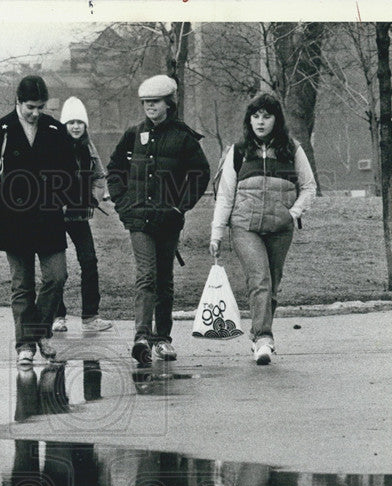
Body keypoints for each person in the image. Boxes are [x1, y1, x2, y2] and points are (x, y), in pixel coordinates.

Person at [0, 75, 80, 368]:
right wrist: (6, 195)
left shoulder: (54, 129)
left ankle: (39, 333)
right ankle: (25, 345)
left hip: (48, 218)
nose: (36, 113)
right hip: (14, 219)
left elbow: (70, 170)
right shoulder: (1, 129)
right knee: (22, 285)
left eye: (41, 107)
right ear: (18, 102)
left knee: (57, 276)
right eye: (31, 107)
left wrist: (57, 193)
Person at [107, 75, 210, 365]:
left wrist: (181, 207)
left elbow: (200, 174)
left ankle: (162, 339)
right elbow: (114, 169)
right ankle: (141, 336)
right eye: (145, 103)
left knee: (164, 279)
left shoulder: (183, 137)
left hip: (168, 221)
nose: (149, 107)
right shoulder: (133, 134)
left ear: (169, 103)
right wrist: (123, 203)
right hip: (138, 220)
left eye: (154, 102)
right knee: (146, 275)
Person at [209, 92, 316, 365]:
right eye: (255, 116)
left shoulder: (292, 149)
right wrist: (217, 232)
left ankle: (258, 333)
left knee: (273, 284)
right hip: (245, 227)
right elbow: (225, 195)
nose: (260, 122)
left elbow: (309, 187)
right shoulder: (238, 152)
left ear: (276, 120)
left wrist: (293, 214)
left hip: (280, 228)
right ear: (249, 120)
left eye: (266, 116)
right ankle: (263, 339)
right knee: (260, 280)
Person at [51, 97, 112, 335]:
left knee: (89, 261)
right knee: (57, 268)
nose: (75, 127)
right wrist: (56, 203)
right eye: (71, 122)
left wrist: (93, 199)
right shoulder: (54, 146)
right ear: (64, 124)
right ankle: (57, 316)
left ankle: (90, 316)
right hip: (55, 216)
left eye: (80, 122)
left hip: (79, 216)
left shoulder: (89, 147)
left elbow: (99, 175)